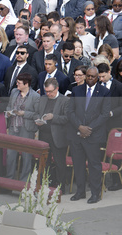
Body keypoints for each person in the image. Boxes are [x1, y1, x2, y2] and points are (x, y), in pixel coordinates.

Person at [67, 66, 111, 203]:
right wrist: (80, 127)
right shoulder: (76, 90)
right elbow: (70, 111)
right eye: (88, 76)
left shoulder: (104, 92)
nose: (90, 79)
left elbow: (104, 114)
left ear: (98, 78)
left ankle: (95, 193)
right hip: (77, 134)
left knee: (94, 165)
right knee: (78, 164)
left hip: (94, 135)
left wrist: (88, 129)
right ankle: (80, 192)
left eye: (93, 77)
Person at [35, 78, 70, 191]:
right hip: (44, 134)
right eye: (46, 91)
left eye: (50, 91)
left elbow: (67, 118)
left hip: (57, 136)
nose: (48, 94)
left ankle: (61, 187)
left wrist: (53, 117)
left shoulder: (65, 100)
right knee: (45, 162)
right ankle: (45, 184)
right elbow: (37, 112)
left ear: (57, 88)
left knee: (60, 163)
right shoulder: (43, 98)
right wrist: (37, 119)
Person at [5, 72, 40, 181]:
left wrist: (24, 113)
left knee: (26, 156)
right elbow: (9, 106)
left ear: (26, 84)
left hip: (26, 129)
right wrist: (9, 112)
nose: (17, 85)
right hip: (13, 127)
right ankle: (9, 179)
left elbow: (37, 114)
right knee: (10, 155)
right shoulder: (14, 92)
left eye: (19, 83)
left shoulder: (35, 96)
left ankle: (24, 182)